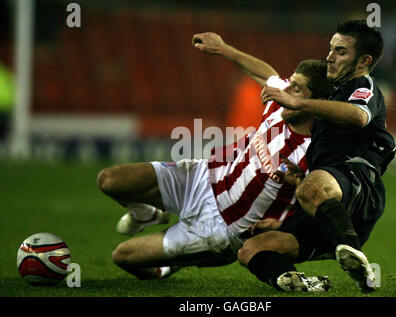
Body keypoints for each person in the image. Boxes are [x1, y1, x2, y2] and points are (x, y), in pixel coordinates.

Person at [97, 32, 334, 291]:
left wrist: (281, 225)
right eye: (290, 84)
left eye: (296, 89)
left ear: (315, 103)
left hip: (222, 229)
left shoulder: (314, 153)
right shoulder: (280, 105)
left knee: (123, 256)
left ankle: (173, 263)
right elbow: (267, 74)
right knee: (109, 180)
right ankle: (147, 214)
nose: (285, 91)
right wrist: (224, 48)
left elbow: (315, 205)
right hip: (201, 178)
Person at [237, 20, 396, 293]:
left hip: (358, 181)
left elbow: (358, 117)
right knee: (251, 249)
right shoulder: (331, 94)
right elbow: (268, 76)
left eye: (340, 52)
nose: (330, 57)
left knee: (313, 186)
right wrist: (297, 188)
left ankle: (353, 254)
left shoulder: (364, 86)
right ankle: (303, 283)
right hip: (330, 203)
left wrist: (298, 102)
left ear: (364, 60)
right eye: (331, 49)